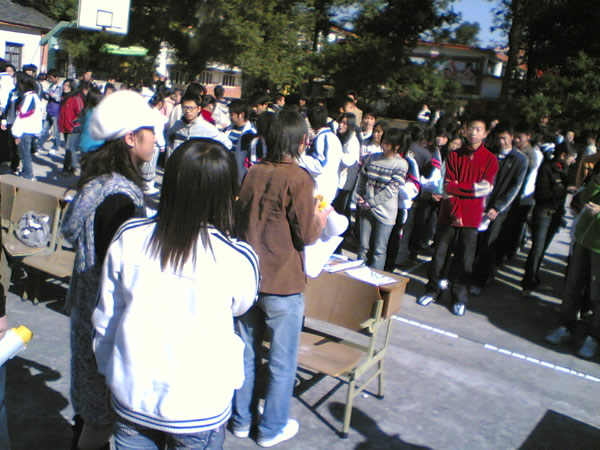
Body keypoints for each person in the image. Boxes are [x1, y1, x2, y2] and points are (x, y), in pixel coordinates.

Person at [93, 139, 259, 448]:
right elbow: (242, 304)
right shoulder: (237, 257)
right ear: (226, 195)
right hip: (199, 405)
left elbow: (107, 316)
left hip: (132, 393)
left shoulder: (130, 236)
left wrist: (108, 371)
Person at [61, 90, 163, 450]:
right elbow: (118, 268)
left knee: (90, 409)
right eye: (151, 132)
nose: (157, 141)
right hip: (104, 322)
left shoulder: (100, 182)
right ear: (131, 138)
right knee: (101, 418)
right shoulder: (120, 197)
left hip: (86, 311)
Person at [232, 109, 328, 447]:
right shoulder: (299, 179)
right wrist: (321, 217)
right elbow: (308, 234)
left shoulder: (254, 172)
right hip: (283, 283)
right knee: (281, 363)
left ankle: (241, 420)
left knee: (245, 355)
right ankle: (271, 428)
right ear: (301, 141)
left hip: (248, 279)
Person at [417, 118, 498, 317]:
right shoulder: (454, 155)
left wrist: (459, 188)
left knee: (465, 259)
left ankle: (459, 297)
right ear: (465, 131)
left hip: (472, 217)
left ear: (485, 134)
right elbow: (448, 187)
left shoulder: (490, 159)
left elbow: (485, 188)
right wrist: (456, 212)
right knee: (439, 256)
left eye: (478, 129)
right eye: (471, 128)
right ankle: (433, 290)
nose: (474, 133)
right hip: (448, 215)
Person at [545, 169, 600, 359]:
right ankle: (565, 327)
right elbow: (582, 199)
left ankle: (593, 338)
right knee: (572, 286)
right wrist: (596, 182)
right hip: (583, 240)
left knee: (597, 295)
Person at [470, 122, 528, 295]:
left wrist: (498, 207)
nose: (501, 142)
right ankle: (466, 274)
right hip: (480, 203)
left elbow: (515, 188)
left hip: (498, 210)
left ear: (511, 137)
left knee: (489, 244)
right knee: (473, 241)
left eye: (504, 138)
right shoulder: (490, 153)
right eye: (498, 138)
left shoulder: (520, 160)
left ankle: (480, 281)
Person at [521, 141, 576, 296]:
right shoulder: (547, 168)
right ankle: (527, 283)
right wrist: (563, 190)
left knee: (542, 249)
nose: (573, 161)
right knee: (537, 249)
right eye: (571, 157)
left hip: (556, 214)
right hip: (544, 212)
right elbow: (542, 194)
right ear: (563, 155)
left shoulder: (566, 170)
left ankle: (533, 279)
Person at [355, 128, 409, 269]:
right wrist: (359, 196)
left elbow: (392, 189)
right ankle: (357, 276)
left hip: (386, 212)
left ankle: (375, 278)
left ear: (396, 146)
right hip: (366, 207)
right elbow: (362, 177)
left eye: (388, 143)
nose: (384, 145)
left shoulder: (401, 164)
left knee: (379, 250)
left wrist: (371, 202)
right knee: (363, 247)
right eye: (383, 142)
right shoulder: (372, 158)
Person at [299, 105, 344, 205]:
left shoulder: (323, 138)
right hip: (328, 187)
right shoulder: (332, 137)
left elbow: (319, 165)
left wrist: (299, 158)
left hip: (321, 190)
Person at [167, 93, 231, 159]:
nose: (188, 111)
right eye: (185, 107)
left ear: (198, 109)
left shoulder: (207, 128)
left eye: (191, 108)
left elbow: (227, 144)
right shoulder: (177, 125)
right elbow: (168, 138)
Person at [11, 74, 42, 180]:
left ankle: (28, 175)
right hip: (31, 129)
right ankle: (25, 172)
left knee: (25, 153)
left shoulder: (28, 98)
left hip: (26, 130)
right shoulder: (34, 96)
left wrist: (17, 133)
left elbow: (22, 116)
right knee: (25, 152)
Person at [333, 112, 361, 218]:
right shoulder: (340, 138)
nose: (341, 125)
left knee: (341, 211)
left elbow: (348, 161)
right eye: (340, 122)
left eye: (345, 123)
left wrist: (336, 152)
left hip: (345, 183)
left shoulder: (352, 141)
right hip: (337, 181)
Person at [225, 99, 257, 180]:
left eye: (231, 114)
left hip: (240, 174)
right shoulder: (227, 130)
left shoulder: (251, 134)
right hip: (226, 170)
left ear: (241, 115)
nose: (230, 117)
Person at [58, 78, 84, 174]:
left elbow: (81, 113)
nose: (65, 87)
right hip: (65, 127)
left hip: (73, 128)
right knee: (68, 148)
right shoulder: (64, 97)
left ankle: (71, 167)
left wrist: (73, 124)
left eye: (67, 86)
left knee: (69, 147)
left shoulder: (76, 98)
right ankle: (69, 167)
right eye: (64, 85)